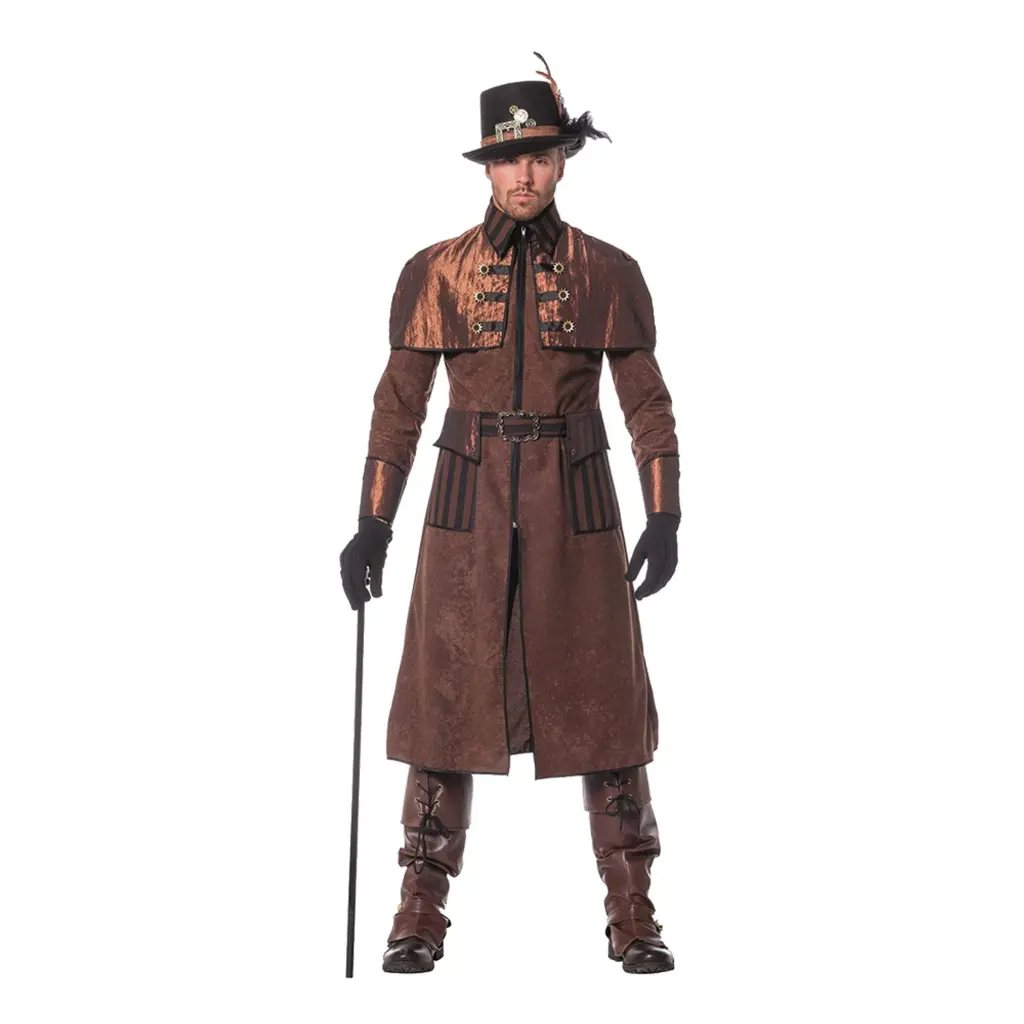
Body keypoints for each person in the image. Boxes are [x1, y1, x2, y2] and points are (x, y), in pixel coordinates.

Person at [340, 52, 681, 975]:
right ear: (487, 167)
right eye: (507, 158)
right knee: (443, 709)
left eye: (539, 155)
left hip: (578, 506)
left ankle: (634, 914)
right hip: (466, 505)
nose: (523, 174)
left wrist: (665, 510)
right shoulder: (435, 272)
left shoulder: (609, 271)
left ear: (563, 160)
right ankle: (418, 913)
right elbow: (398, 406)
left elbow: (645, 402)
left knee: (607, 708)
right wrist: (373, 521)